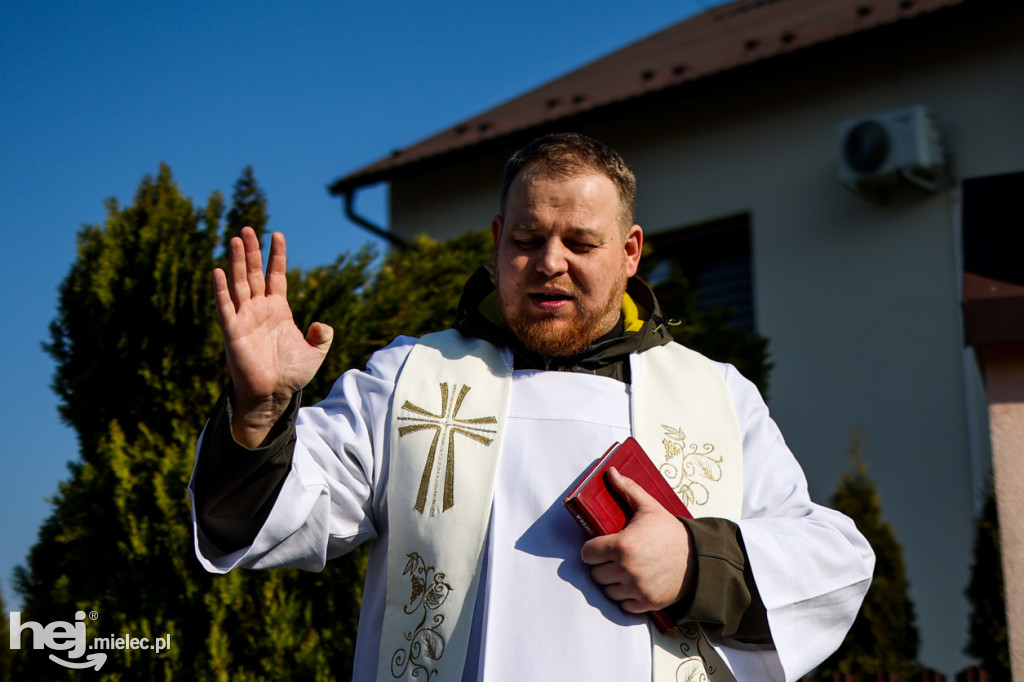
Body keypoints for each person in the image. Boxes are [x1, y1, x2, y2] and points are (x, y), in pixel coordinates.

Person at [189, 133, 874, 682]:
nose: (549, 262)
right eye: (525, 240)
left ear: (630, 253)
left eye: (581, 242)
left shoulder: (715, 395)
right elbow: (273, 517)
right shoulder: (409, 380)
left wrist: (696, 563)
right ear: (496, 243)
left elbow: (833, 563)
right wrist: (259, 412)